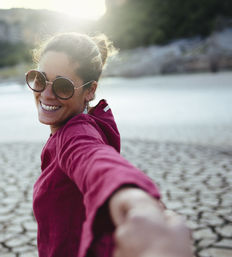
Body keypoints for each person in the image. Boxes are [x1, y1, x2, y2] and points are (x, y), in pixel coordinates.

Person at [25, 32, 193, 257]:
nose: (46, 93)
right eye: (40, 79)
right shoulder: (79, 127)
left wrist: (135, 201)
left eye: (62, 86)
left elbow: (93, 158)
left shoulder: (75, 134)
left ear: (90, 90)